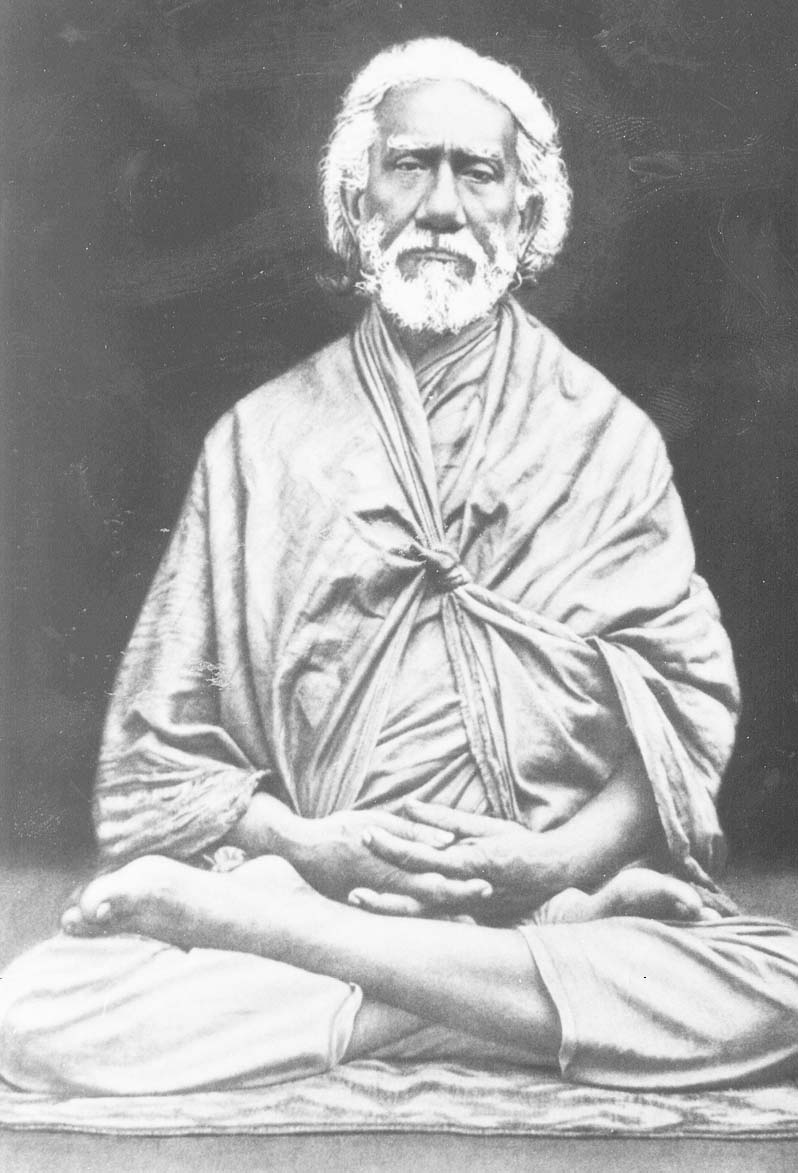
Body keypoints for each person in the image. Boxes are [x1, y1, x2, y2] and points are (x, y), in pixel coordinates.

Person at [2, 36, 798, 1097]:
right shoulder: (261, 441)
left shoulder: (606, 438)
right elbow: (156, 759)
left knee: (782, 989)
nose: (440, 207)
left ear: (527, 212)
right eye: (410, 165)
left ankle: (315, 957)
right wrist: (312, 848)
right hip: (324, 880)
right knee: (36, 1017)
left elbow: (683, 709)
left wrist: (556, 867)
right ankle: (503, 993)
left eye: (478, 173)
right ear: (356, 198)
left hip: (504, 895)